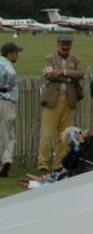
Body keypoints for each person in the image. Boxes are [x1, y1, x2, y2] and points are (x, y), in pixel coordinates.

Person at [36, 34, 86, 174]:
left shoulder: (76, 59)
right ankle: (42, 163)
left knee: (65, 134)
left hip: (69, 100)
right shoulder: (49, 58)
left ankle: (59, 164)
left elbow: (81, 73)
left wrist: (61, 72)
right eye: (63, 44)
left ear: (71, 46)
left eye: (67, 44)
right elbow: (48, 75)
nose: (65, 47)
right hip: (53, 100)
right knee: (46, 133)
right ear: (58, 45)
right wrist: (69, 76)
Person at [0, 41, 22, 177]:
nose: (18, 55)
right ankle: (3, 164)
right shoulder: (6, 65)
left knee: (3, 136)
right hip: (5, 103)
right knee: (7, 137)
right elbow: (12, 74)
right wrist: (8, 86)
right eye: (16, 53)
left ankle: (1, 166)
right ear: (10, 54)